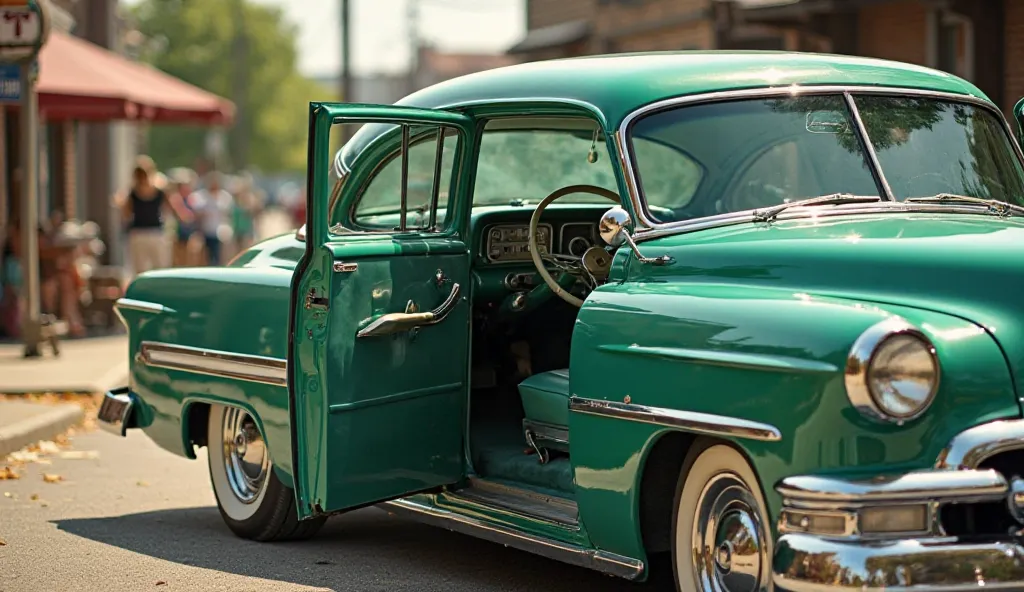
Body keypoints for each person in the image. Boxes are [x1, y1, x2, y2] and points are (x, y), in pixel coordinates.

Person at [191, 172, 234, 266]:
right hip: (204, 231)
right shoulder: (200, 196)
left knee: (219, 256)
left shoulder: (225, 197)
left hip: (220, 232)